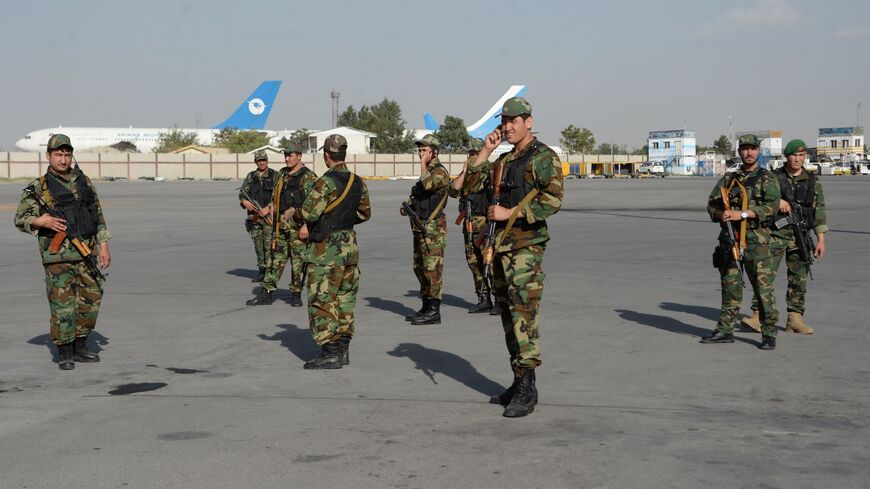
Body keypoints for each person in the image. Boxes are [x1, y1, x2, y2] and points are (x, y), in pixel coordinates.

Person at [465, 97, 563, 417]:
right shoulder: (505, 159)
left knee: (523, 316)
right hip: (501, 248)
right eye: (503, 122)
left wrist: (511, 212)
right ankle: (518, 380)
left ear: (529, 121)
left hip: (526, 247)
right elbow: (471, 184)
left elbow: (553, 199)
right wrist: (485, 150)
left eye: (513, 121)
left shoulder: (543, 157)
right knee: (508, 317)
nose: (507, 127)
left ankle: (528, 388)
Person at [14, 134, 111, 370]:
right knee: (63, 305)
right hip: (57, 257)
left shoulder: (85, 181)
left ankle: (80, 345)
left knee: (91, 300)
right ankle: (65, 351)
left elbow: (96, 215)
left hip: (86, 252)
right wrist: (42, 221)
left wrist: (103, 245)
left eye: (67, 154)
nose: (63, 159)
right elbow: (20, 219)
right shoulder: (39, 187)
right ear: (49, 156)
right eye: (58, 154)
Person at [297, 135, 371, 369]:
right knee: (345, 299)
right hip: (349, 247)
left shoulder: (325, 182)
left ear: (326, 155)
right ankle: (343, 350)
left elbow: (309, 213)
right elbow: (364, 214)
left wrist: (292, 215)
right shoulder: (358, 182)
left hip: (326, 251)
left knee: (322, 300)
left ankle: (330, 352)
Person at [703, 134, 781, 350]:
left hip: (757, 241)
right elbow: (712, 204)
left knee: (763, 289)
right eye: (745, 149)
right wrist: (721, 214)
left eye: (753, 149)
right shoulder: (729, 179)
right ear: (739, 152)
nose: (749, 153)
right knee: (730, 287)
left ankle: (769, 333)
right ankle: (725, 329)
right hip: (731, 241)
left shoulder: (767, 178)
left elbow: (772, 208)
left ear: (759, 151)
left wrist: (743, 214)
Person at [741, 139, 827, 334]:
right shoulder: (773, 177)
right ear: (786, 157)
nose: (797, 159)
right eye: (793, 155)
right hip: (774, 234)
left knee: (799, 277)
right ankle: (758, 316)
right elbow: (757, 199)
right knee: (764, 276)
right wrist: (776, 201)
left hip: (800, 235)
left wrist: (820, 239)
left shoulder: (813, 181)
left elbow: (819, 211)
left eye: (801, 155)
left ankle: (795, 318)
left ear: (805, 156)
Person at [246, 143, 317, 306]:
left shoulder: (309, 176)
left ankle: (296, 294)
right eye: (285, 155)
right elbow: (275, 196)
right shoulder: (282, 174)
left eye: (290, 155)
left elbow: (313, 204)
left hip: (298, 227)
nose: (287, 158)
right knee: (274, 260)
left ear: (299, 156)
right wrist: (271, 208)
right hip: (280, 227)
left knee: (298, 263)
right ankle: (266, 293)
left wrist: (306, 225)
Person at [401, 134, 450, 325]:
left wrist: (423, 164)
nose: (421, 153)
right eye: (419, 150)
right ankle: (425, 306)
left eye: (424, 150)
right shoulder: (428, 171)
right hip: (420, 227)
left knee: (432, 270)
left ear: (434, 152)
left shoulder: (439, 172)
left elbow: (428, 184)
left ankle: (434, 310)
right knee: (419, 267)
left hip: (433, 229)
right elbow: (420, 194)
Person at [448, 138, 494, 313]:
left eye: (476, 153)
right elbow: (452, 191)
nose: (473, 156)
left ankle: (499, 299)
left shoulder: (489, 170)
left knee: (489, 261)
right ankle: (483, 298)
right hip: (468, 223)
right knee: (473, 262)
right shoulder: (466, 173)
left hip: (484, 222)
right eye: (470, 154)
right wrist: (465, 171)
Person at [239, 150, 276, 283]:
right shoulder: (251, 176)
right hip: (254, 218)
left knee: (269, 246)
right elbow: (243, 193)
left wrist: (269, 207)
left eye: (264, 160)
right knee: (258, 245)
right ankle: (262, 270)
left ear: (267, 161)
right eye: (259, 160)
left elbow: (280, 195)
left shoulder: (274, 175)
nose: (261, 162)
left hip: (269, 217)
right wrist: (245, 202)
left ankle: (270, 271)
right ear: (256, 162)